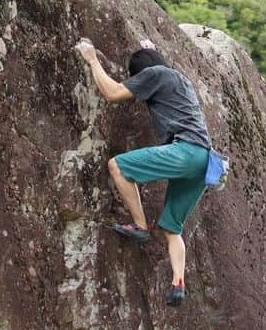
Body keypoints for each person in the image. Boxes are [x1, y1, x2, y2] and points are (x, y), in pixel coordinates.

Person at [76, 36, 212, 307]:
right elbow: (156, 66)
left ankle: (139, 225)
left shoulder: (154, 74)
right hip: (204, 160)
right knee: (172, 228)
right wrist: (150, 51)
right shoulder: (178, 78)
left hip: (184, 152)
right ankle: (178, 283)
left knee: (118, 166)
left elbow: (113, 93)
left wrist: (91, 58)